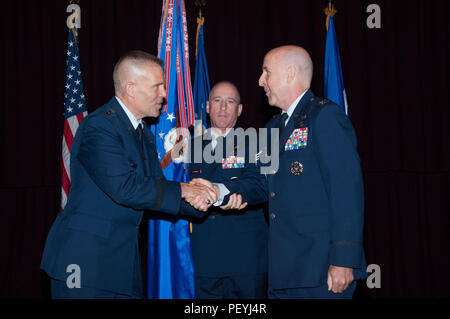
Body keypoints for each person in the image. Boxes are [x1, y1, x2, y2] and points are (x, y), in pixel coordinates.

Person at [40, 50, 217, 299]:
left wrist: (210, 198)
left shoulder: (142, 132)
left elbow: (157, 187)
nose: (164, 95)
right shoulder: (100, 126)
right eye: (157, 87)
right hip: (84, 262)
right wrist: (187, 190)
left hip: (121, 264)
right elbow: (125, 187)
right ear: (131, 88)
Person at [222, 45, 367, 299]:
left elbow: (346, 191)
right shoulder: (271, 127)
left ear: (289, 73)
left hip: (322, 270)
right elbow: (261, 183)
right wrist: (221, 190)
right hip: (284, 271)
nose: (260, 80)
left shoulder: (324, 116)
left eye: (266, 72)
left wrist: (344, 260)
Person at [188, 81, 268, 299]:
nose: (223, 107)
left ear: (239, 110)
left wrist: (222, 190)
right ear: (206, 106)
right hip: (203, 258)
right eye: (217, 100)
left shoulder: (255, 142)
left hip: (245, 259)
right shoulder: (189, 146)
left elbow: (261, 185)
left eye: (230, 101)